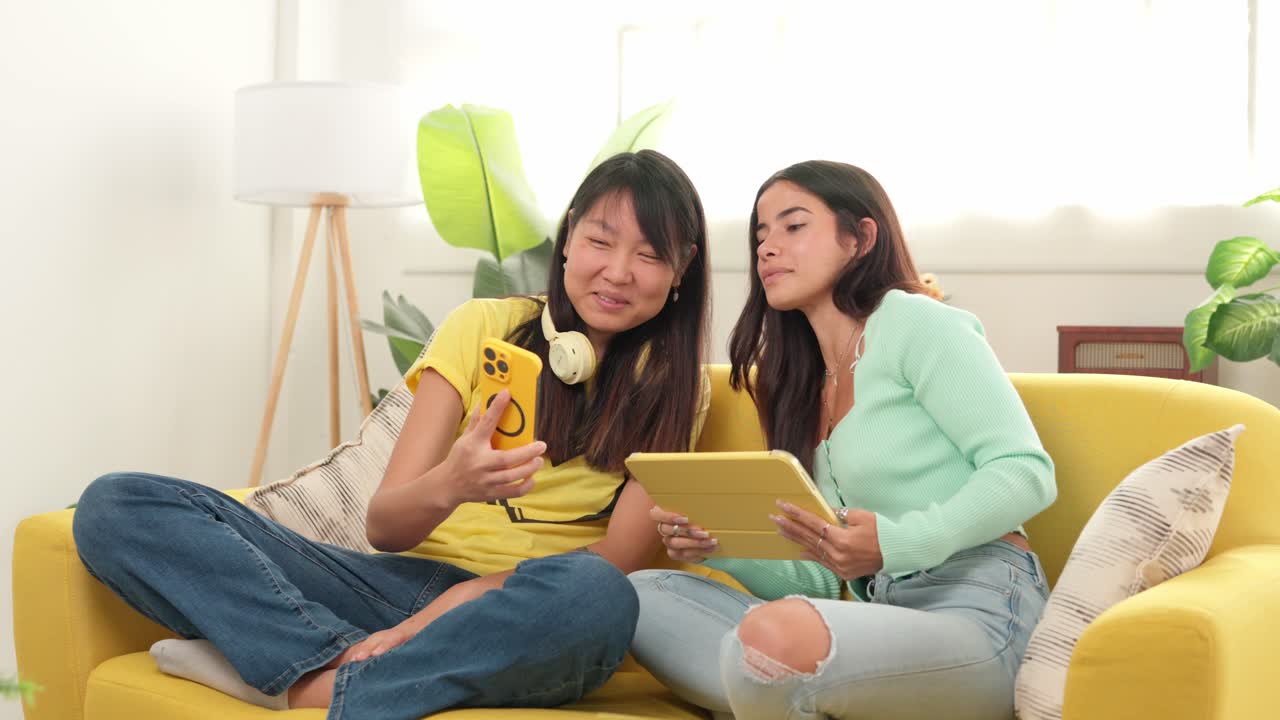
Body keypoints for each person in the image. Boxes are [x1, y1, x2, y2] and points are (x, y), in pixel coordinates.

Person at [72, 149, 710, 719]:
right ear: (569, 238)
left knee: (599, 596)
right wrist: (451, 485)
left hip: (520, 612)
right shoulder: (482, 326)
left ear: (680, 273)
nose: (619, 271)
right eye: (601, 240)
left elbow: (613, 562)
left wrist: (419, 630)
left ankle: (310, 685)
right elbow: (385, 527)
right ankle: (330, 664)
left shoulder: (678, 390)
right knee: (116, 505)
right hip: (391, 587)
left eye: (650, 255)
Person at [629, 160, 1056, 720]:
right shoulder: (798, 379)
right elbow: (823, 572)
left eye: (794, 226)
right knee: (640, 594)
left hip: (977, 611)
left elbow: (1025, 471)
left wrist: (897, 544)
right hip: (869, 618)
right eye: (760, 235)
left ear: (860, 238)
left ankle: (778, 682)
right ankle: (791, 686)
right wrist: (719, 545)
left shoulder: (918, 325)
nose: (767, 249)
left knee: (770, 640)